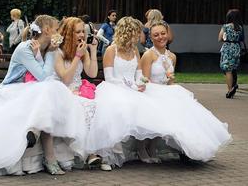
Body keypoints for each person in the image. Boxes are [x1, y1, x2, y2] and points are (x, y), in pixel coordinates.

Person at [86, 17, 232, 167]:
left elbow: (139, 75)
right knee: (128, 106)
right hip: (115, 88)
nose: (139, 37)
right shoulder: (112, 50)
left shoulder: (135, 50)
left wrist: (140, 84)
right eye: (137, 33)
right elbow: (110, 78)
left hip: (133, 89)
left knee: (155, 105)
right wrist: (131, 86)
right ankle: (115, 152)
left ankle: (180, 147)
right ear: (127, 33)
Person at [0, 15, 87, 176]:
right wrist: (49, 53)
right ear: (47, 30)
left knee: (49, 91)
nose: (58, 33)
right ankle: (48, 156)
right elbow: (43, 76)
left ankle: (35, 133)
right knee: (49, 89)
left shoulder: (45, 48)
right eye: (56, 29)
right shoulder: (24, 48)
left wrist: (45, 53)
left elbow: (43, 77)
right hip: (12, 91)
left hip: (31, 91)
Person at [54, 17, 112, 171]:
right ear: (68, 33)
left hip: (80, 90)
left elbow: (92, 73)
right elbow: (65, 78)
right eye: (77, 31)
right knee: (83, 107)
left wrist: (92, 51)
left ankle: (96, 152)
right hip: (62, 91)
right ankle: (89, 154)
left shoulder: (83, 49)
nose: (81, 35)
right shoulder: (58, 52)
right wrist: (77, 56)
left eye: (83, 31)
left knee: (99, 107)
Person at [218, 9, 243, 98]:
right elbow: (241, 39)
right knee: (233, 68)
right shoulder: (240, 27)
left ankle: (230, 90)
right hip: (236, 48)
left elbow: (220, 38)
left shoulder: (226, 27)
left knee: (227, 70)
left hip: (227, 48)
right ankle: (234, 85)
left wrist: (226, 38)